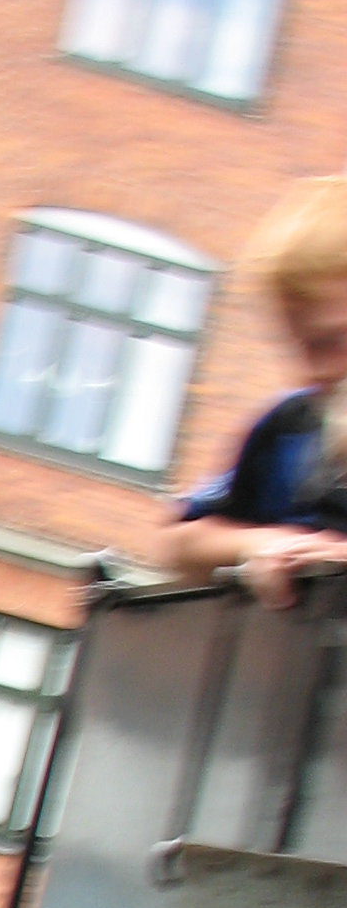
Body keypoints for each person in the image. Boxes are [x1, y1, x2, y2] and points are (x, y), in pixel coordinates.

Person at [156, 175, 347, 608]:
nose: (312, 370)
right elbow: (178, 544)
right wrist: (269, 544)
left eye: (332, 341)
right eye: (299, 346)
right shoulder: (292, 428)